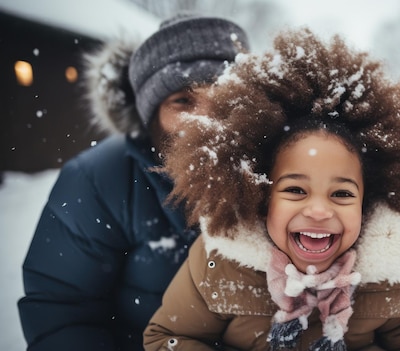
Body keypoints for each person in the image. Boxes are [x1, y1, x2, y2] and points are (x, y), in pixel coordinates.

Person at [143, 28, 400, 351]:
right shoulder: (221, 260)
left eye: (342, 194)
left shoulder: (395, 272)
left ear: (367, 203)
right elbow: (167, 338)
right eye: (296, 190)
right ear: (262, 198)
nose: (319, 210)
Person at [18, 14, 249, 351]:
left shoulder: (282, 168)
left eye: (223, 95)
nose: (206, 121)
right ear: (152, 113)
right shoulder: (99, 178)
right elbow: (64, 312)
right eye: (183, 101)